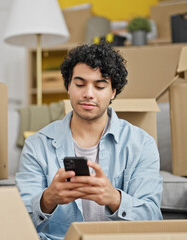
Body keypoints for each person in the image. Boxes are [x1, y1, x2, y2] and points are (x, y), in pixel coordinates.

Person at [16, 42, 163, 240]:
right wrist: (48, 199)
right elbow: (17, 223)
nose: (88, 94)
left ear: (113, 92)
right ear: (68, 86)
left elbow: (154, 219)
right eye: (80, 84)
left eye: (100, 86)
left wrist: (115, 199)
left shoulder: (141, 144)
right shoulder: (37, 145)